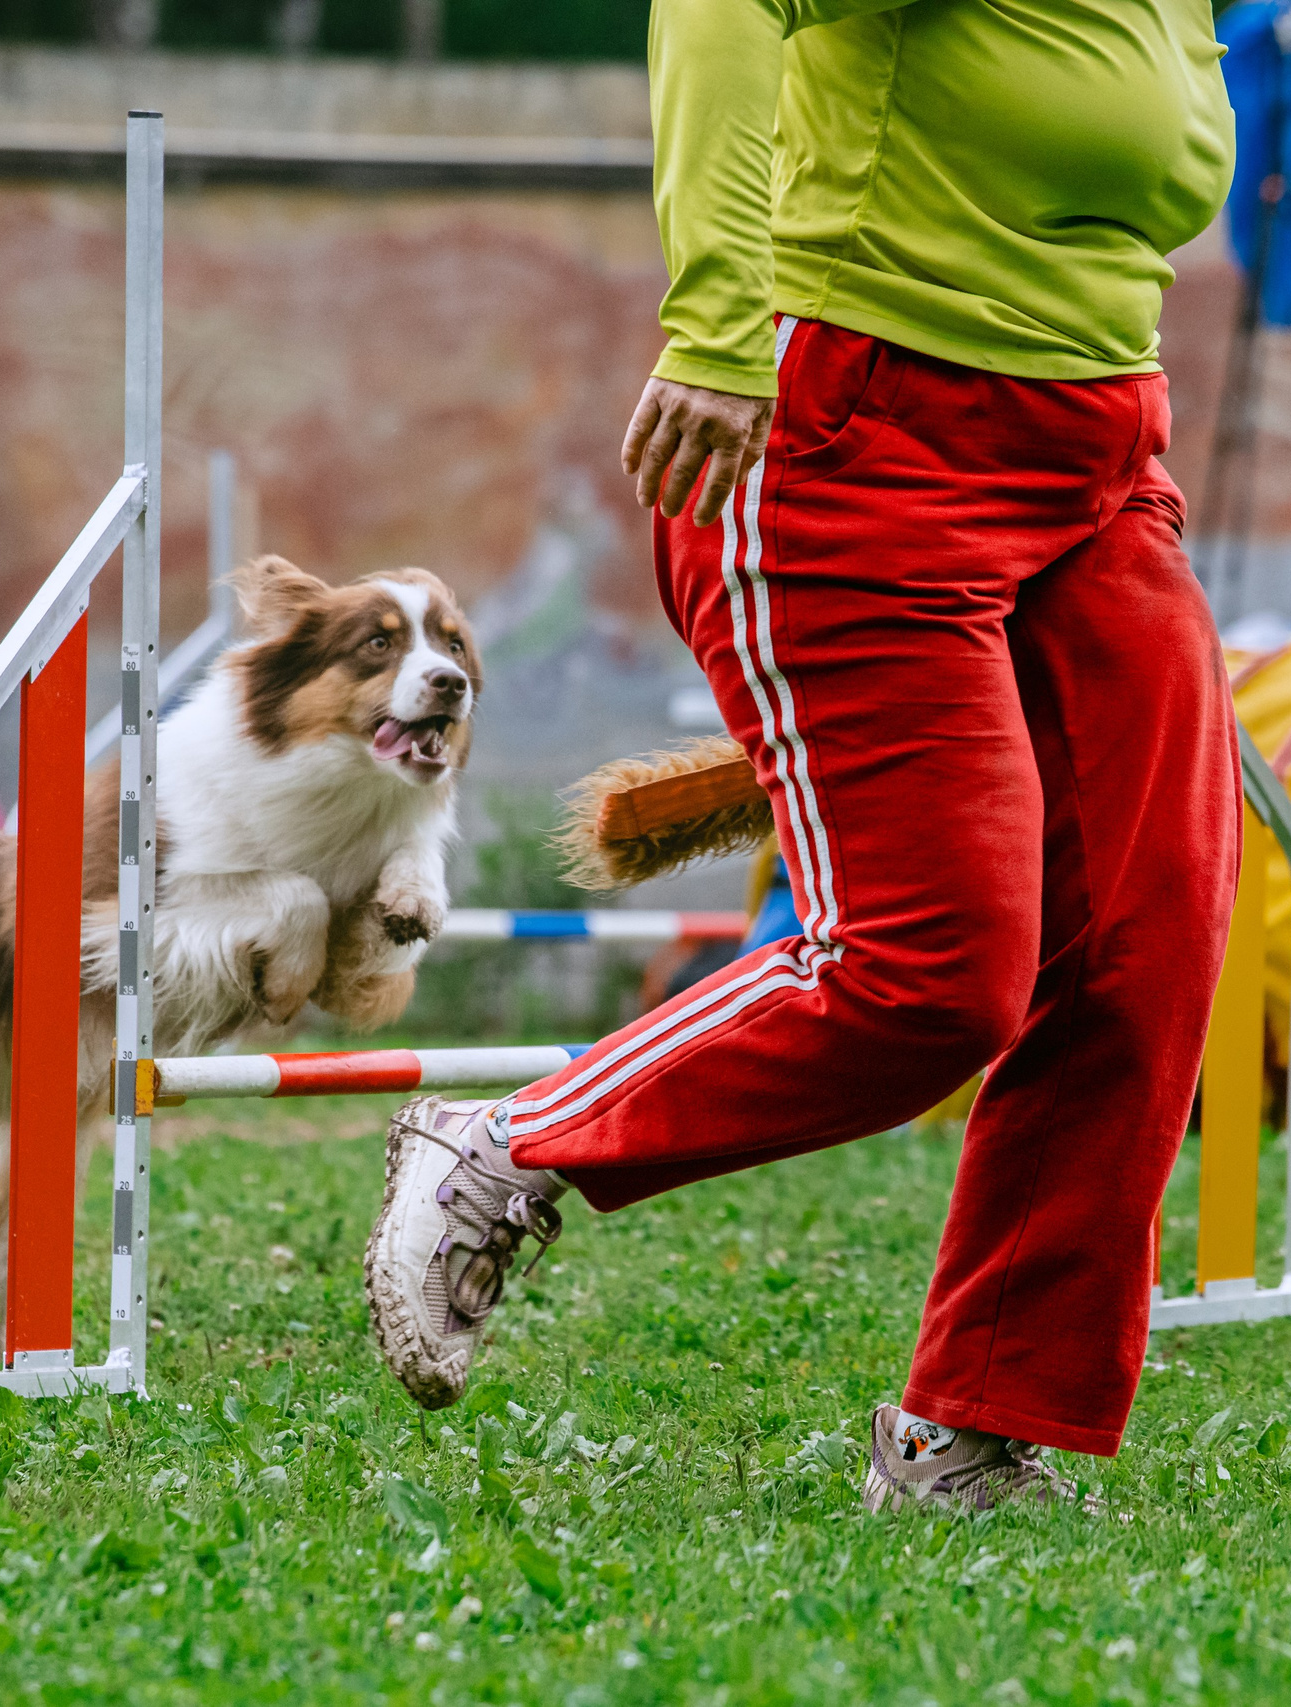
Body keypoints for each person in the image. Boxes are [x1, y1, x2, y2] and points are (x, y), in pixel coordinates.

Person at [364, 0, 1243, 1513]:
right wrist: (715, 328)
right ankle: (508, 1147)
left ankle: (971, 1425)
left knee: (1149, 936)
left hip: (1099, 455)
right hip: (858, 441)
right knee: (937, 968)